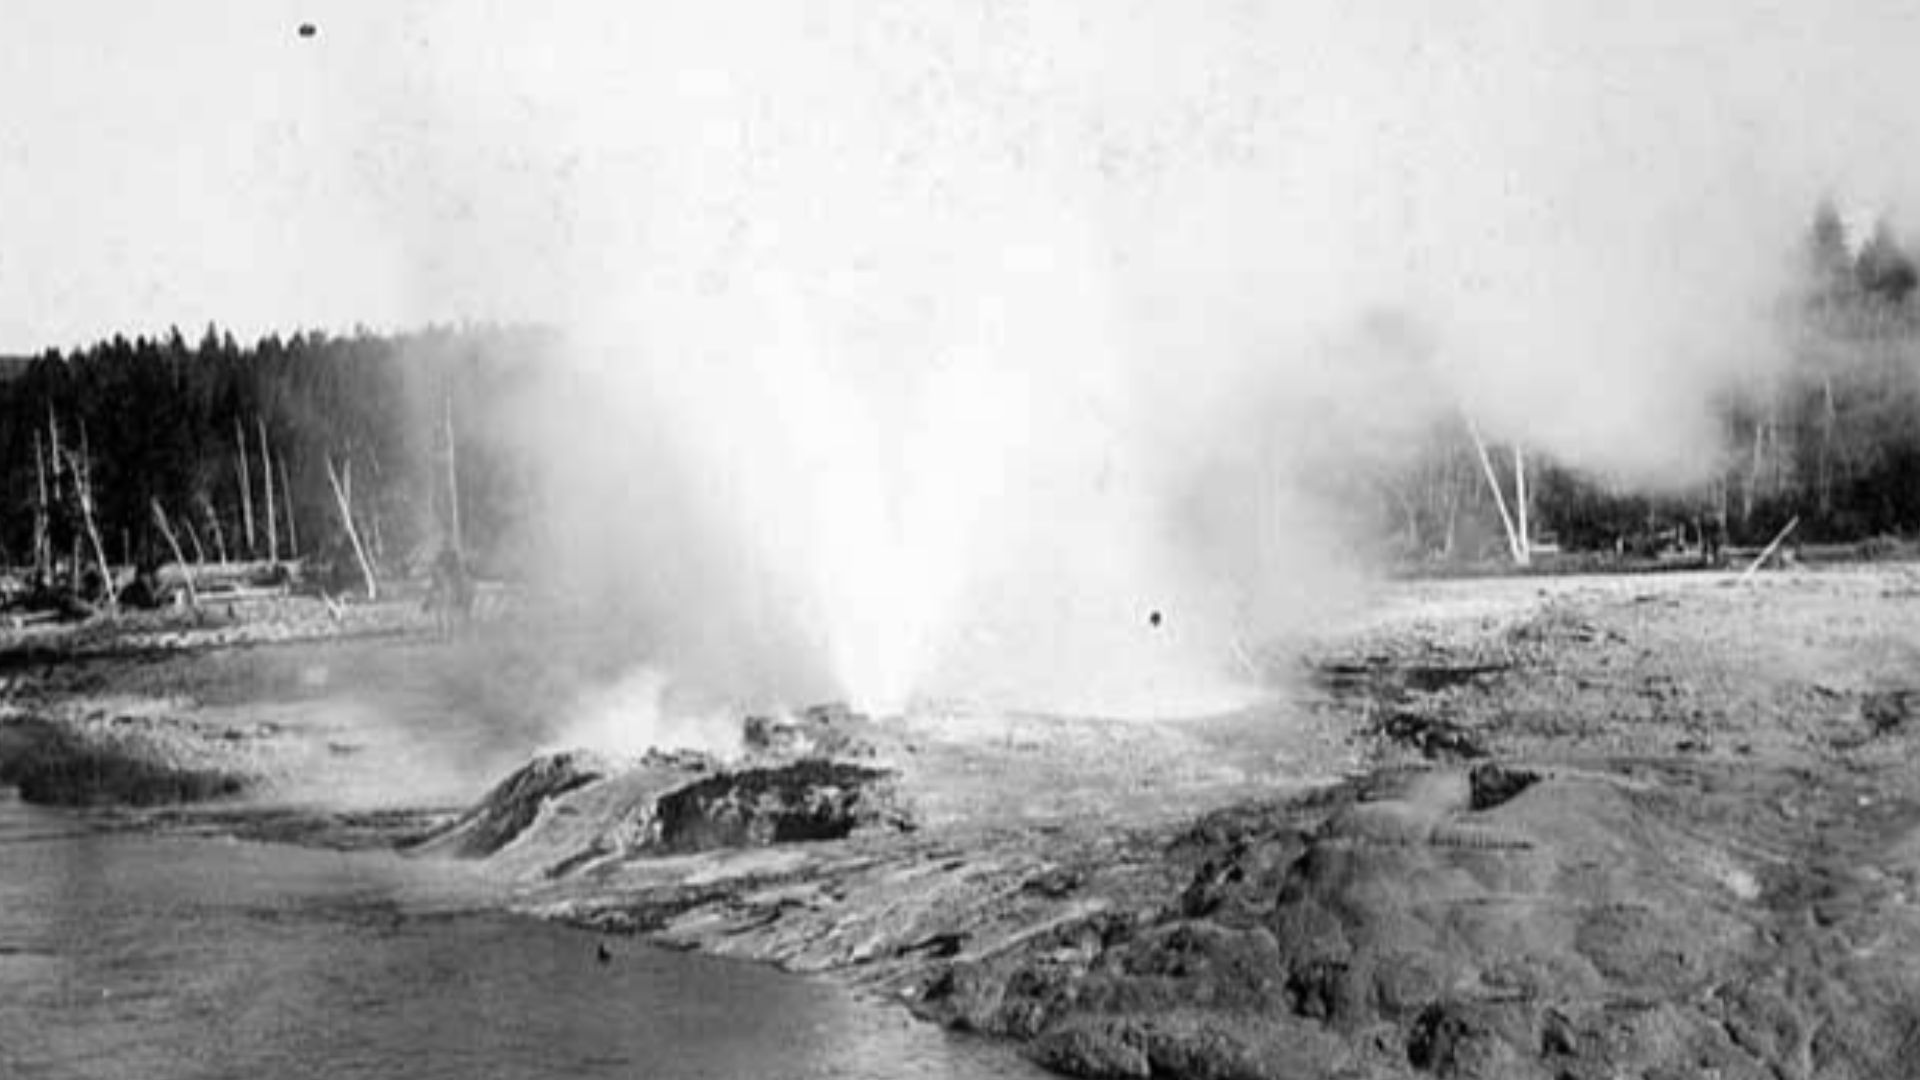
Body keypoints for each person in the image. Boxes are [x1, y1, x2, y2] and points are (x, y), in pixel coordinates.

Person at [425, 546, 474, 639]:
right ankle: (427, 603)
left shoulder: (453, 556)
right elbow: (436, 572)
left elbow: (457, 570)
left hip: (452, 581)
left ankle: (452, 630)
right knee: (433, 589)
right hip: (444, 582)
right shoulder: (440, 557)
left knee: (456, 587)